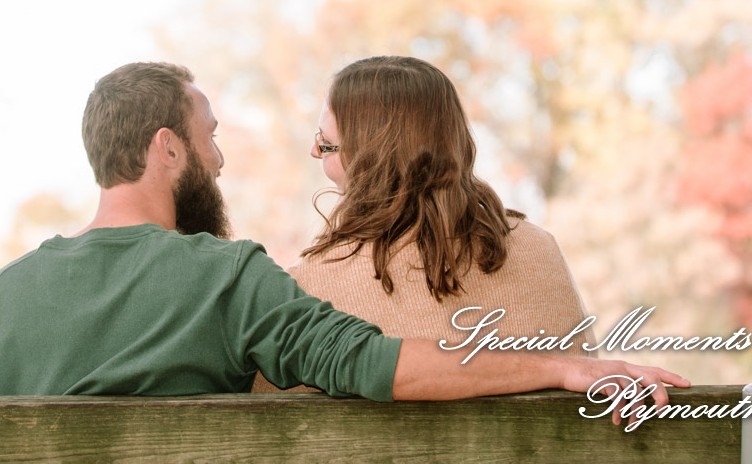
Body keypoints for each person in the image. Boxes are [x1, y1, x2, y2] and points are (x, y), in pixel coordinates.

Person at [0, 61, 684, 410]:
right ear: (168, 148)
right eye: (210, 138)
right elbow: (371, 361)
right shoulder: (228, 280)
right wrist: (559, 365)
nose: (220, 160)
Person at [255, 55, 596, 393]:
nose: (314, 152)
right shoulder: (540, 248)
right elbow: (588, 366)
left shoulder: (308, 289)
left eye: (326, 144)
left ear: (367, 159)